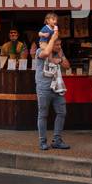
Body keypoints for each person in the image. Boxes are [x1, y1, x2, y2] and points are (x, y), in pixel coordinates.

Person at [35, 20, 70, 151]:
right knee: (43, 114)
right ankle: (42, 141)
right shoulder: (40, 51)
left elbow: (67, 66)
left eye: (60, 44)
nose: (59, 46)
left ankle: (57, 140)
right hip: (43, 87)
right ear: (50, 43)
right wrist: (52, 38)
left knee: (62, 112)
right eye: (57, 44)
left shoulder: (59, 52)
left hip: (57, 87)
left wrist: (60, 57)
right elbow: (45, 54)